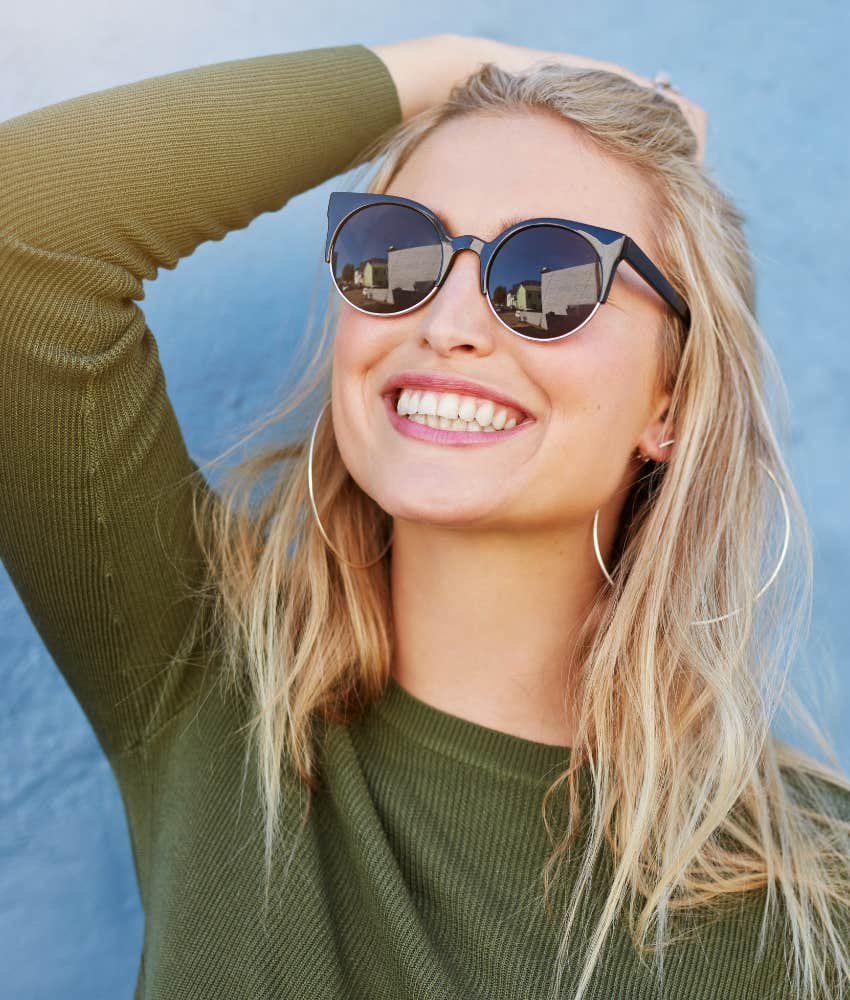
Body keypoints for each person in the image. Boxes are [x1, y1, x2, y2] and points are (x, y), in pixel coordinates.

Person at [1, 32, 848, 1000]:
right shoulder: (213, 687)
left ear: (671, 400)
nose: (446, 323)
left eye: (554, 274)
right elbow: (18, 229)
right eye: (398, 251)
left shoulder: (813, 896)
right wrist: (460, 67)